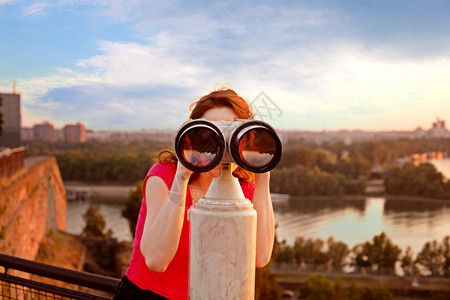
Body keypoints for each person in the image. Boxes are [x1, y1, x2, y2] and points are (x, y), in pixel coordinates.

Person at [114, 88, 275, 300]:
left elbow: (260, 257)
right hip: (146, 295)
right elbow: (156, 261)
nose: (220, 147)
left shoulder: (243, 189)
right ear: (192, 135)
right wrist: (183, 173)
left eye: (231, 134)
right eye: (209, 136)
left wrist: (263, 172)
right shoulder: (165, 175)